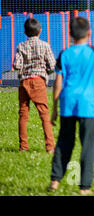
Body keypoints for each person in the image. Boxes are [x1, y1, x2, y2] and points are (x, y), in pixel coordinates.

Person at [48, 17, 94, 195]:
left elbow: (58, 84)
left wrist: (54, 108)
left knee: (64, 142)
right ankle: (85, 187)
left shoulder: (64, 54)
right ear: (89, 33)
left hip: (67, 103)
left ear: (70, 34)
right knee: (87, 145)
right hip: (87, 104)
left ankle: (55, 181)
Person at [13, 18, 56, 153]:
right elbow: (53, 65)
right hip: (39, 81)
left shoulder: (21, 46)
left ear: (25, 32)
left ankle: (23, 146)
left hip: (24, 82)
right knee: (44, 114)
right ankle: (49, 146)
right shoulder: (45, 45)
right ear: (40, 31)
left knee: (23, 114)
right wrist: (46, 71)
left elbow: (16, 65)